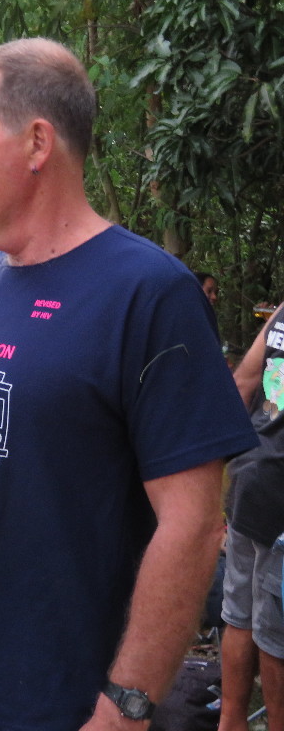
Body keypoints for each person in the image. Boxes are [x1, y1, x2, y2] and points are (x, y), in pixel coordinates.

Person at [0, 37, 258, 731]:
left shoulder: (149, 292)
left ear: (38, 143)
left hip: (64, 705)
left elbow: (194, 525)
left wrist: (126, 706)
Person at [218, 302, 284, 731]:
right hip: (276, 492)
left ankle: (231, 721)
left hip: (251, 472)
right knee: (277, 637)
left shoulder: (283, 315)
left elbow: (248, 384)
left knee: (240, 614)